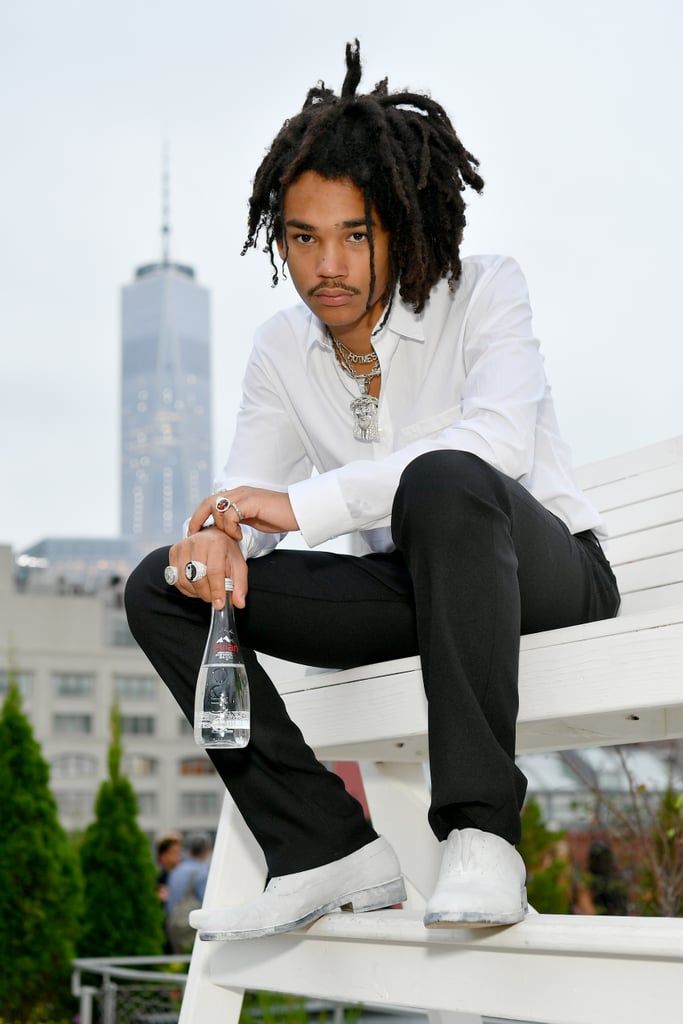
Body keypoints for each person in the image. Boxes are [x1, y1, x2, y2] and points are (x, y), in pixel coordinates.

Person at [125, 41, 621, 940]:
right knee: (164, 585)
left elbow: (498, 446)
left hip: (544, 576)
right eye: (302, 238)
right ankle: (321, 847)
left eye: (355, 235)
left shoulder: (486, 293)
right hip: (413, 594)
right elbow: (248, 495)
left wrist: (310, 507)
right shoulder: (281, 348)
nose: (328, 267)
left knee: (445, 478)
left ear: (399, 223)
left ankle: (480, 834)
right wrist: (219, 539)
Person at [166, 832, 212, 952]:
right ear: (206, 851)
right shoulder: (202, 872)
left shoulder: (176, 870)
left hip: (173, 926)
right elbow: (207, 904)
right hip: (191, 928)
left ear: (189, 850)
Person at [156, 831, 183, 951]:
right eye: (174, 852)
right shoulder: (159, 880)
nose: (178, 856)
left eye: (179, 852)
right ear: (163, 856)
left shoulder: (182, 877)